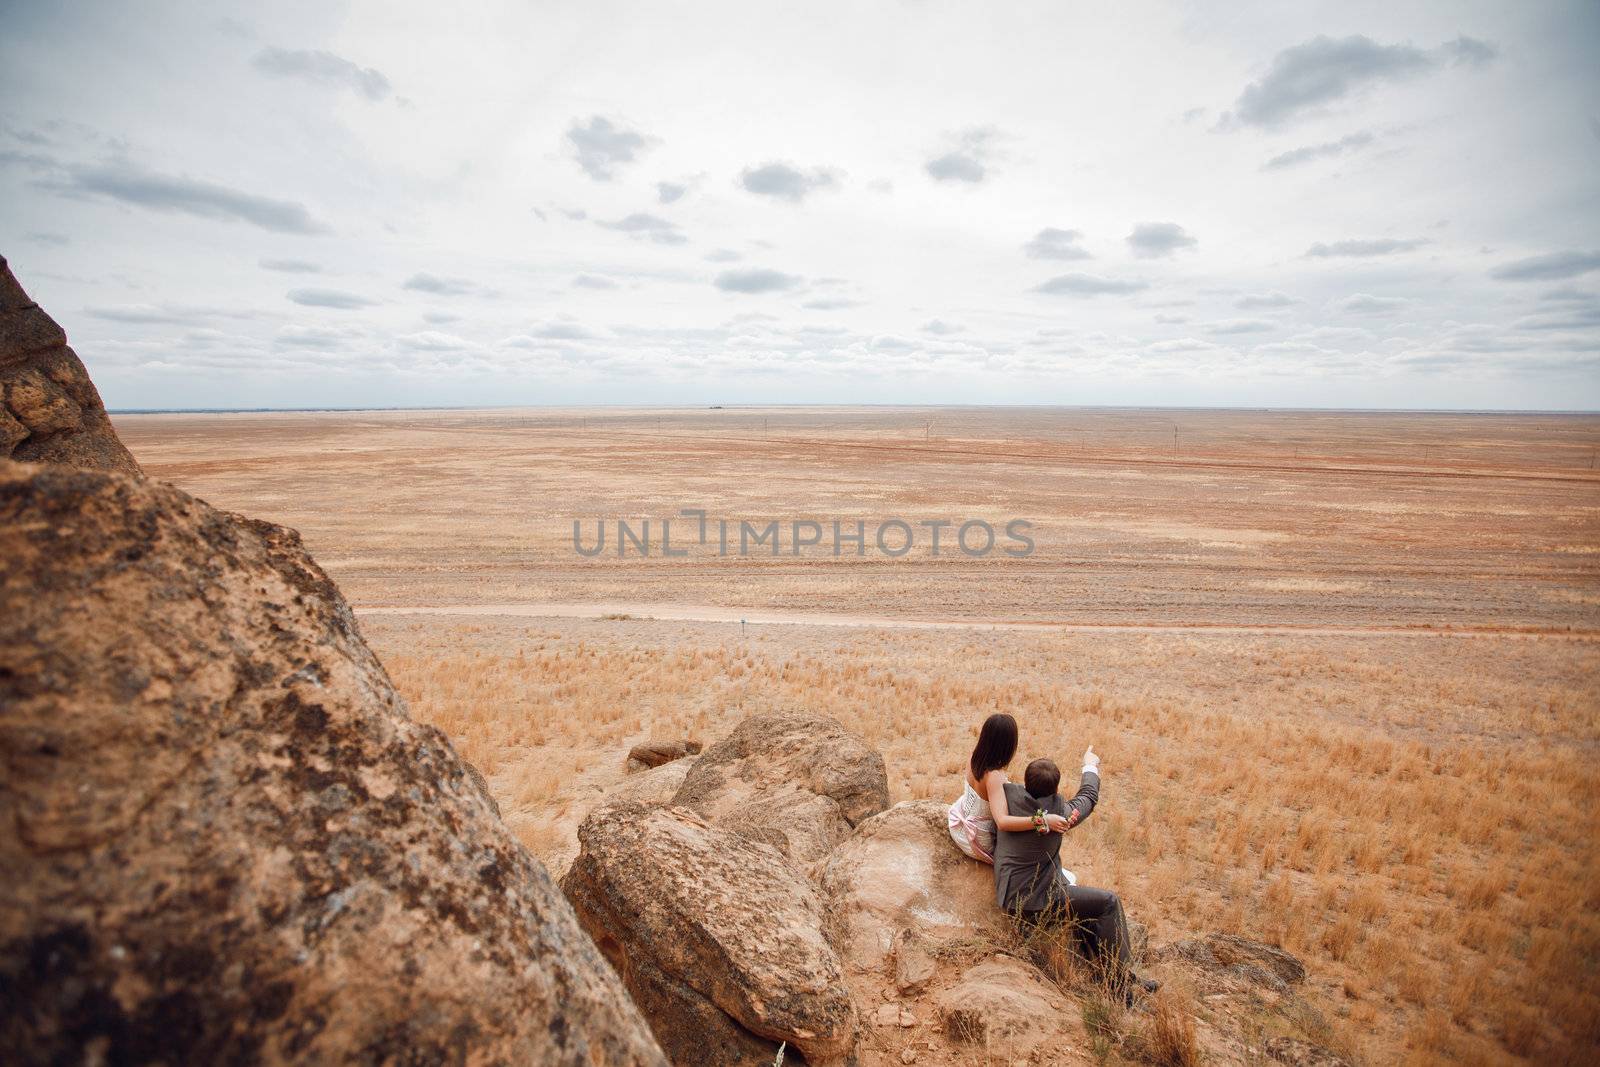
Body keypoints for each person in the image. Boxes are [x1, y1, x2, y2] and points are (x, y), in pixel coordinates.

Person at [992, 750, 1159, 1005]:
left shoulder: (1007, 796)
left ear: (1025, 782)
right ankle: (1120, 988)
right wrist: (1089, 765)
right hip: (1037, 901)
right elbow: (1088, 797)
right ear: (1056, 788)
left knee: (1088, 912)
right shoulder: (1061, 814)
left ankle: (1121, 974)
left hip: (1010, 892)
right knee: (1108, 903)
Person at [947, 713, 1071, 863]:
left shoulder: (974, 756)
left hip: (957, 824)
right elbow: (1002, 822)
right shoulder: (994, 777)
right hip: (976, 839)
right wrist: (1043, 820)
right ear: (1008, 745)